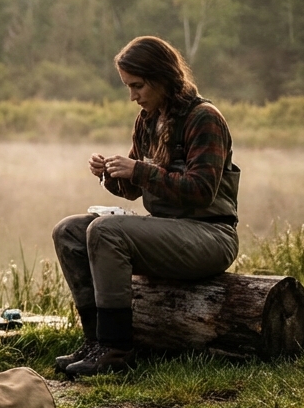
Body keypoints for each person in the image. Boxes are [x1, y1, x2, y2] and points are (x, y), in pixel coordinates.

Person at [52, 36, 240, 376]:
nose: (133, 96)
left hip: (211, 237)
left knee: (107, 231)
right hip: (168, 233)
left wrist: (139, 169)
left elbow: (202, 191)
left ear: (162, 78)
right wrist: (109, 174)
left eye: (137, 86)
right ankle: (95, 341)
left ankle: (116, 350)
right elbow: (132, 191)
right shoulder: (148, 120)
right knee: (68, 231)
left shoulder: (204, 119)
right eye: (128, 87)